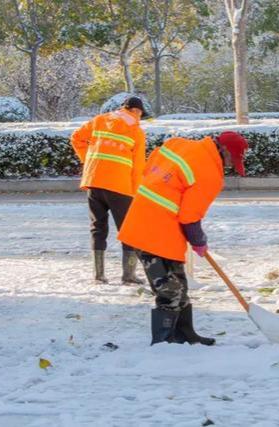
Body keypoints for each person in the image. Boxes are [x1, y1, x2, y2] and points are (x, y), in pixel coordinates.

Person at [118, 131, 249, 345]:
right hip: (153, 235)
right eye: (231, 160)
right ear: (224, 150)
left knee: (179, 285)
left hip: (148, 225)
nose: (230, 166)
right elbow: (190, 217)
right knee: (169, 291)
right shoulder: (209, 174)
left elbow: (149, 167)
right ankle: (163, 342)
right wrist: (199, 241)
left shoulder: (178, 144)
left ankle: (185, 335)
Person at [70, 96, 149, 284]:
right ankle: (128, 275)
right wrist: (136, 192)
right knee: (129, 230)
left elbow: (76, 138)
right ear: (137, 112)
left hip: (94, 180)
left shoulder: (100, 120)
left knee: (97, 227)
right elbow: (138, 166)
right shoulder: (136, 132)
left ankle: (99, 275)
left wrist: (88, 162)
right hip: (119, 185)